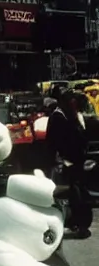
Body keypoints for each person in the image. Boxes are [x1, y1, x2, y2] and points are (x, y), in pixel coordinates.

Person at [46, 89, 92, 238]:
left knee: (77, 193)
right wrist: (62, 161)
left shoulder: (69, 115)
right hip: (67, 162)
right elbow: (56, 142)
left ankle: (78, 223)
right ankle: (75, 223)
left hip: (75, 161)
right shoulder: (58, 117)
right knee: (72, 193)